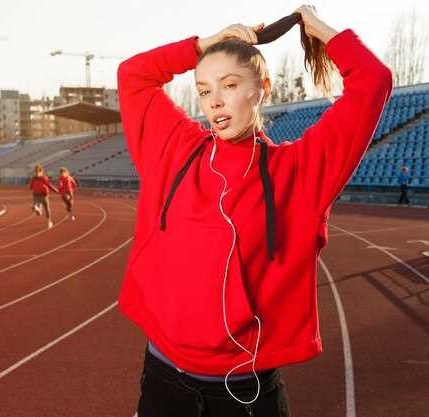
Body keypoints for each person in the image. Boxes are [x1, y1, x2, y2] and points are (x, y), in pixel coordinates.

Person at [117, 5, 392, 417]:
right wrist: (200, 46)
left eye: (228, 85)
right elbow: (133, 75)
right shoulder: (174, 149)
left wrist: (314, 27)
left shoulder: (298, 173)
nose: (215, 102)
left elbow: (373, 81)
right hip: (162, 379)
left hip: (244, 392)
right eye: (204, 90)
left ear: (262, 87)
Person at [28, 164, 58, 229]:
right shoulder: (38, 178)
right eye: (36, 171)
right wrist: (55, 190)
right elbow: (48, 185)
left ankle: (47, 220)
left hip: (40, 195)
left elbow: (30, 187)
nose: (37, 173)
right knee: (41, 207)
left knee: (43, 209)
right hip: (39, 194)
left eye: (37, 171)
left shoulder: (38, 178)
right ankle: (47, 219)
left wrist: (55, 190)